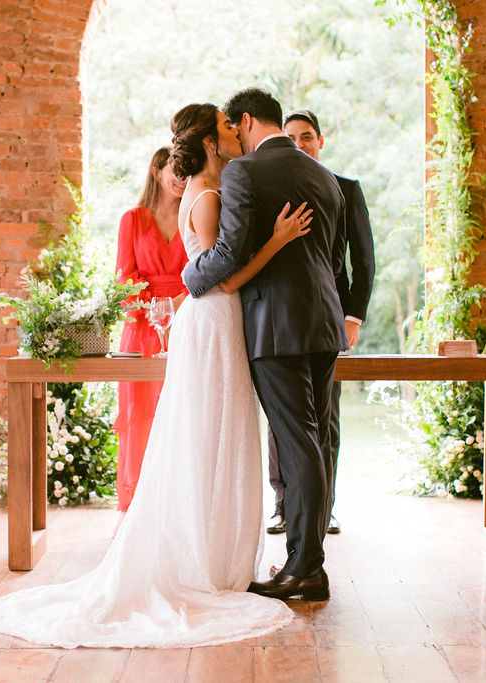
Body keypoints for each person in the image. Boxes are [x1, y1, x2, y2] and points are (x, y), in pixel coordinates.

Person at [0, 103, 311, 648]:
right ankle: (203, 561)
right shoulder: (206, 195)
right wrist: (276, 240)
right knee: (208, 435)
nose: (235, 132)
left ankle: (215, 554)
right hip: (212, 323)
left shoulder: (212, 188)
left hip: (217, 323)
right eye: (227, 127)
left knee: (215, 433)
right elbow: (219, 280)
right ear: (207, 140)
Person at [183, 88, 348, 602]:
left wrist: (190, 274)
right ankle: (306, 558)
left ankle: (306, 567)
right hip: (324, 322)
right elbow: (333, 257)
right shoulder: (323, 174)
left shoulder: (245, 173)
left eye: (236, 126)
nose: (235, 134)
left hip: (277, 326)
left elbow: (228, 253)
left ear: (247, 120)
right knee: (314, 439)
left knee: (296, 441)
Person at [265, 109, 376, 538]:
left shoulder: (346, 189)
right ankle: (282, 505)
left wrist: (352, 316)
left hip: (330, 320)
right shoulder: (275, 190)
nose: (299, 143)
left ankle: (324, 507)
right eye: (291, 137)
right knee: (282, 420)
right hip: (284, 320)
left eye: (307, 136)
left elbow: (363, 261)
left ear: (321, 140)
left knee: (325, 418)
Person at [113, 146, 189, 512]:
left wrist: (178, 304)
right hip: (143, 327)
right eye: (175, 168)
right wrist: (156, 307)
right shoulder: (133, 219)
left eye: (186, 170)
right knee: (141, 412)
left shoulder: (195, 213)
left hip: (190, 319)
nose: (181, 176)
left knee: (181, 412)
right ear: (157, 171)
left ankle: (177, 500)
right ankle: (141, 503)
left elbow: (207, 266)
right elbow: (124, 276)